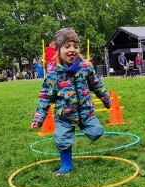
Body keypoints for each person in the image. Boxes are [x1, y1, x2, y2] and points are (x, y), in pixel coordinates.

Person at [31, 28, 111, 176]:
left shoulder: (85, 67)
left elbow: (96, 84)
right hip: (64, 115)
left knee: (96, 133)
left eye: (75, 46)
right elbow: (45, 97)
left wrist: (106, 99)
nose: (72, 50)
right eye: (67, 46)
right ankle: (66, 166)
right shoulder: (54, 73)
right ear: (59, 50)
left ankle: (84, 127)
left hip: (85, 112)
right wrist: (38, 118)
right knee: (62, 140)